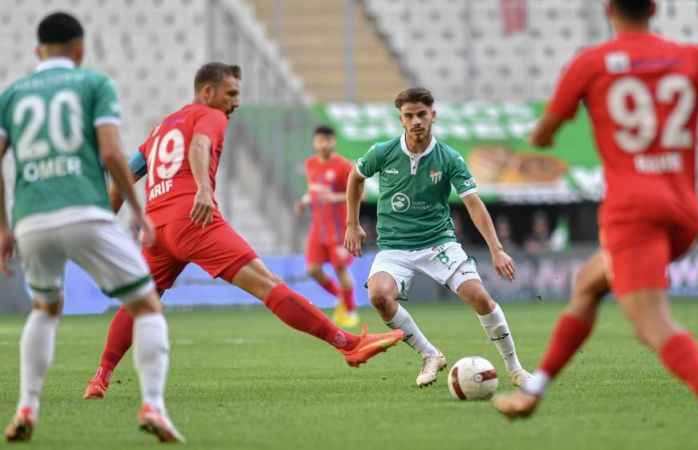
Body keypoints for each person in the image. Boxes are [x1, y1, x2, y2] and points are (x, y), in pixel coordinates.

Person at [491, 2, 698, 449]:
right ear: (654, 8)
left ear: (607, 8)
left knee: (649, 322)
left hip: (633, 212)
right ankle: (533, 391)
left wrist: (540, 135)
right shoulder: (690, 56)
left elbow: (545, 134)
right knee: (589, 284)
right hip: (683, 212)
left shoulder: (591, 63)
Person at [82, 62, 404, 400]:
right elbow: (199, 147)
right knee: (268, 286)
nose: (236, 102)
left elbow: (124, 177)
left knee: (139, 301)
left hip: (158, 227)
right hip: (193, 219)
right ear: (207, 92)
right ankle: (348, 344)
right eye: (231, 93)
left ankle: (100, 377)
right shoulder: (210, 115)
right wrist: (204, 191)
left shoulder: (161, 128)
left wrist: (105, 222)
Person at [0, 12, 184, 442]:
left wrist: (5, 228)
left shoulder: (11, 95)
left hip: (31, 219)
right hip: (85, 211)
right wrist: (137, 211)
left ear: (36, 51)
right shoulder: (94, 85)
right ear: (80, 50)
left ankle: (27, 405)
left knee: (45, 309)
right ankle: (153, 406)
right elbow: (112, 154)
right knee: (146, 305)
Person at [344, 87, 531, 388]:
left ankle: (515, 369)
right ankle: (430, 354)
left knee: (479, 297)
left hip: (438, 243)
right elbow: (355, 177)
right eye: (409, 116)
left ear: (433, 115)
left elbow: (473, 203)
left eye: (421, 114)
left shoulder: (448, 158)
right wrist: (352, 224)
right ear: (401, 119)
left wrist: (496, 249)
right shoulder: (383, 152)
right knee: (379, 296)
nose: (416, 121)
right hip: (394, 246)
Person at [295, 125, 359, 328]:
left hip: (338, 228)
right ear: (315, 142)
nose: (323, 144)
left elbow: (359, 194)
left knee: (340, 270)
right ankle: (341, 298)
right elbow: (314, 191)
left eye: (327, 140)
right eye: (319, 140)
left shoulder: (343, 166)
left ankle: (350, 311)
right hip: (318, 227)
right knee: (312, 269)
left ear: (333, 142)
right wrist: (304, 201)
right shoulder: (310, 164)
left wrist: (335, 197)